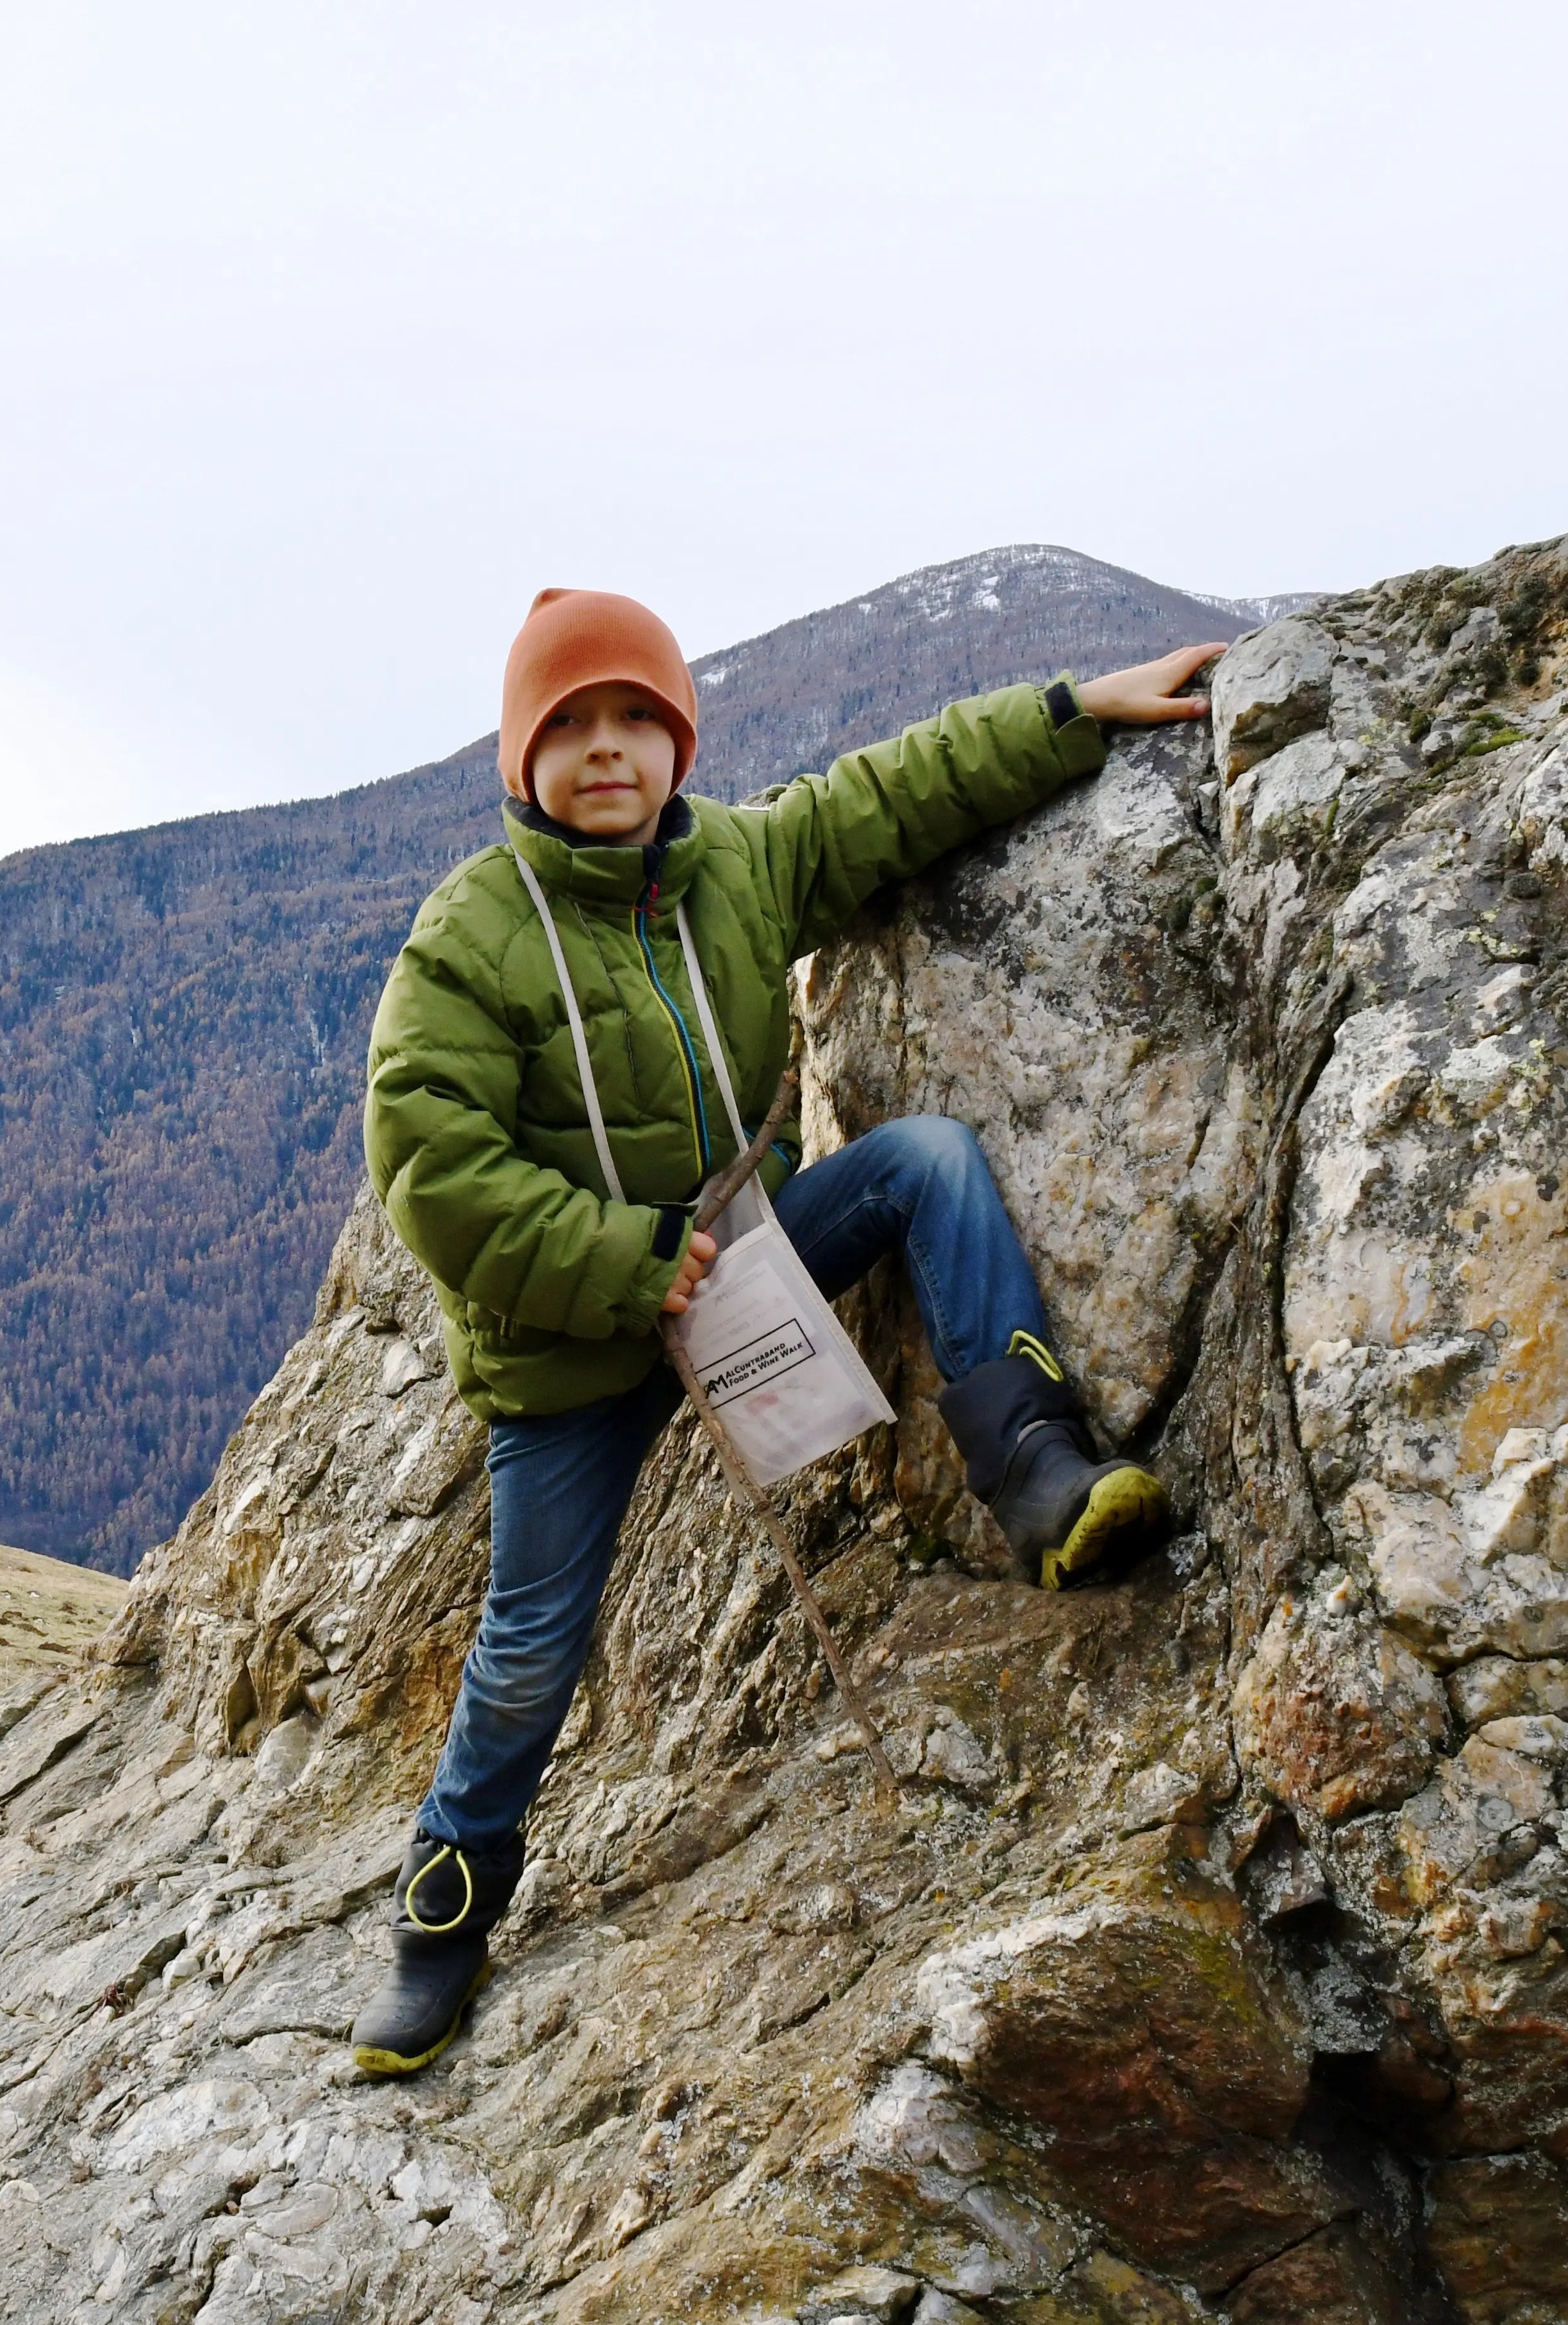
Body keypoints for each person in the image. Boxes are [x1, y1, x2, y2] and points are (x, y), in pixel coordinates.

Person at [351, 586, 1224, 2073]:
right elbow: (430, 1161)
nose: (609, 749)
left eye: (638, 717)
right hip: (573, 1350)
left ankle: (1039, 1475)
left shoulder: (738, 867)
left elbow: (895, 794)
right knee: (527, 1648)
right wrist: (625, 1266)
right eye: (570, 726)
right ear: (521, 759)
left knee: (927, 1160)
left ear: (679, 740)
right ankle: (442, 1918)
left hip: (730, 1266)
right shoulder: (470, 936)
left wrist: (1073, 711)